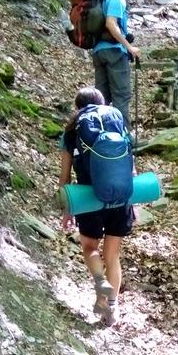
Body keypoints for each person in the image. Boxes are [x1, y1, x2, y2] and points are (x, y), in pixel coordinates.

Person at [58, 87, 135, 326]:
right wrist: (133, 204)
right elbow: (130, 164)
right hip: (121, 197)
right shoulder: (116, 120)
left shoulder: (72, 132)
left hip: (89, 198)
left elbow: (65, 176)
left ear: (78, 107)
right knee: (113, 255)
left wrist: (67, 208)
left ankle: (99, 280)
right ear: (102, 102)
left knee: (90, 247)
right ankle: (112, 308)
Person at [91, 0, 142, 130]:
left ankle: (100, 136)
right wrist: (129, 47)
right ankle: (123, 139)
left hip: (99, 51)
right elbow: (111, 24)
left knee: (101, 98)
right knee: (121, 97)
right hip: (114, 52)